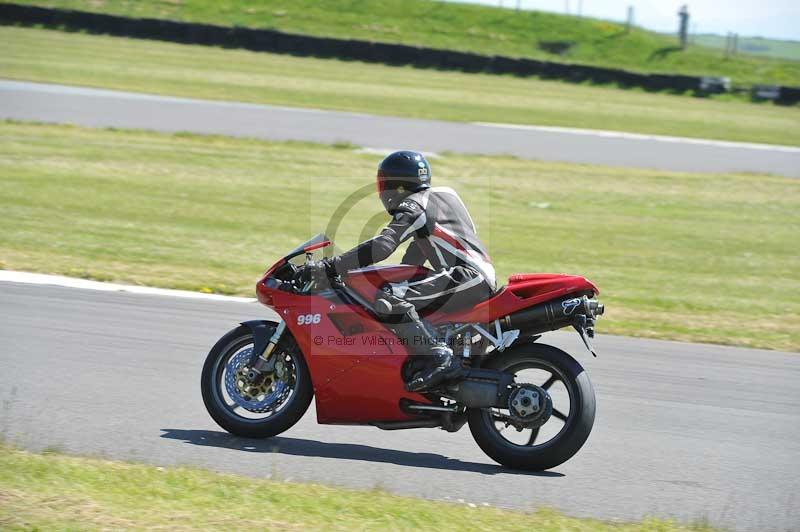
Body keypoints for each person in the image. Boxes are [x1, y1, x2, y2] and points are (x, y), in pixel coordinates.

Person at [320, 150, 496, 391]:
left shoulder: (414, 205)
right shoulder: (447, 196)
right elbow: (412, 260)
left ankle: (439, 358)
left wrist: (332, 265)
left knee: (387, 298)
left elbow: (383, 245)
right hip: (473, 277)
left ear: (395, 186)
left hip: (466, 277)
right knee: (397, 291)